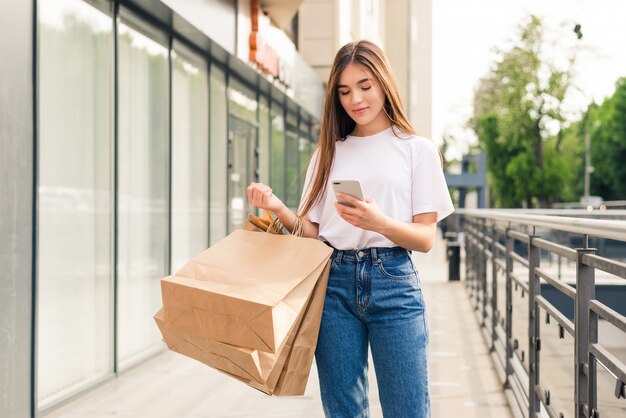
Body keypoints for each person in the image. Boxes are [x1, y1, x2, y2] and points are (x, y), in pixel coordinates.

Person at [247, 40, 454, 418]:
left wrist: (380, 223)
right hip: (334, 284)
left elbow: (426, 239)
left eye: (364, 86)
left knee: (407, 408)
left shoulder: (416, 149)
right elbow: (312, 234)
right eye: (344, 91)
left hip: (394, 282)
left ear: (383, 83)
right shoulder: (329, 152)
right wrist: (276, 206)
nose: (355, 99)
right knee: (343, 410)